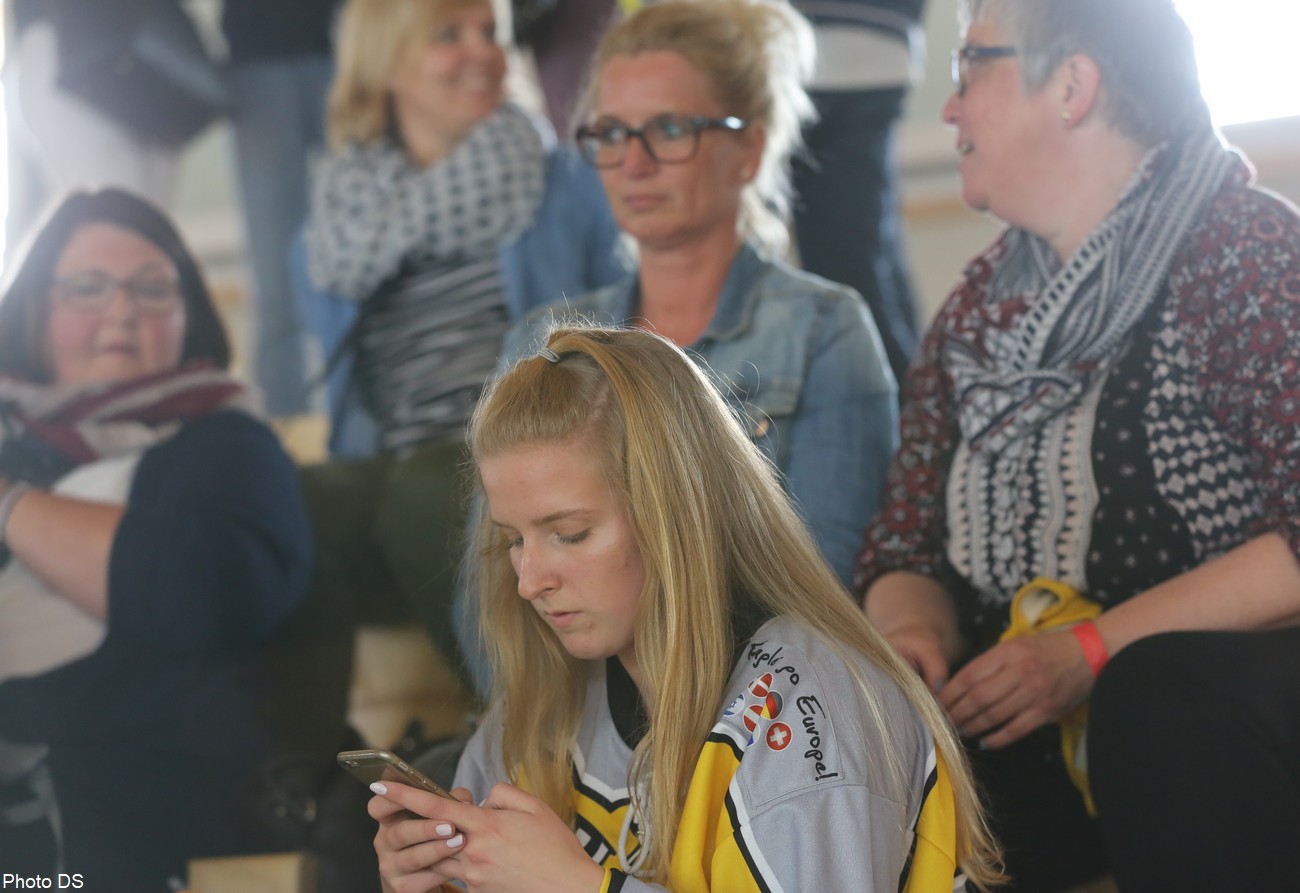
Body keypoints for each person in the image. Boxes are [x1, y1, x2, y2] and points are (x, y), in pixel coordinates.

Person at [852, 0, 1300, 889]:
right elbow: (904, 546)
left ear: (1072, 85)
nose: (949, 106)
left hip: (1214, 699)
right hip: (1053, 703)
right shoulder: (978, 308)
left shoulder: (1243, 247)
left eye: (969, 66)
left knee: (1155, 693)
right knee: (897, 750)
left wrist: (1089, 650)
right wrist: (910, 638)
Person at [366, 323, 1003, 892]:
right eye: (514, 540)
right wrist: (428, 883)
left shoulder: (811, 704)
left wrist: (580, 888)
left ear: (677, 517)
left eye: (571, 534)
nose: (530, 581)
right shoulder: (541, 702)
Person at [500, 0, 897, 591]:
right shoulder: (542, 341)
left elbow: (821, 587)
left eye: (669, 130)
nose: (634, 163)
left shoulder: (824, 330)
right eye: (612, 133)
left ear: (749, 150)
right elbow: (492, 593)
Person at [0, 189, 313, 890]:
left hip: (141, 808)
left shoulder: (226, 442)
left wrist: (10, 503)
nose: (122, 310)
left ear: (187, 313)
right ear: (34, 309)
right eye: (88, 287)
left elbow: (208, 593)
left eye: (150, 289)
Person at [789, 0, 926, 385]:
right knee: (869, 261)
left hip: (813, 49)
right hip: (872, 43)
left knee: (848, 279)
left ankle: (910, 412)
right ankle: (921, 406)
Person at [222, 0, 342, 417]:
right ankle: (283, 428)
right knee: (274, 279)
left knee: (366, 262)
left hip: (344, 48)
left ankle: (364, 426)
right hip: (256, 59)